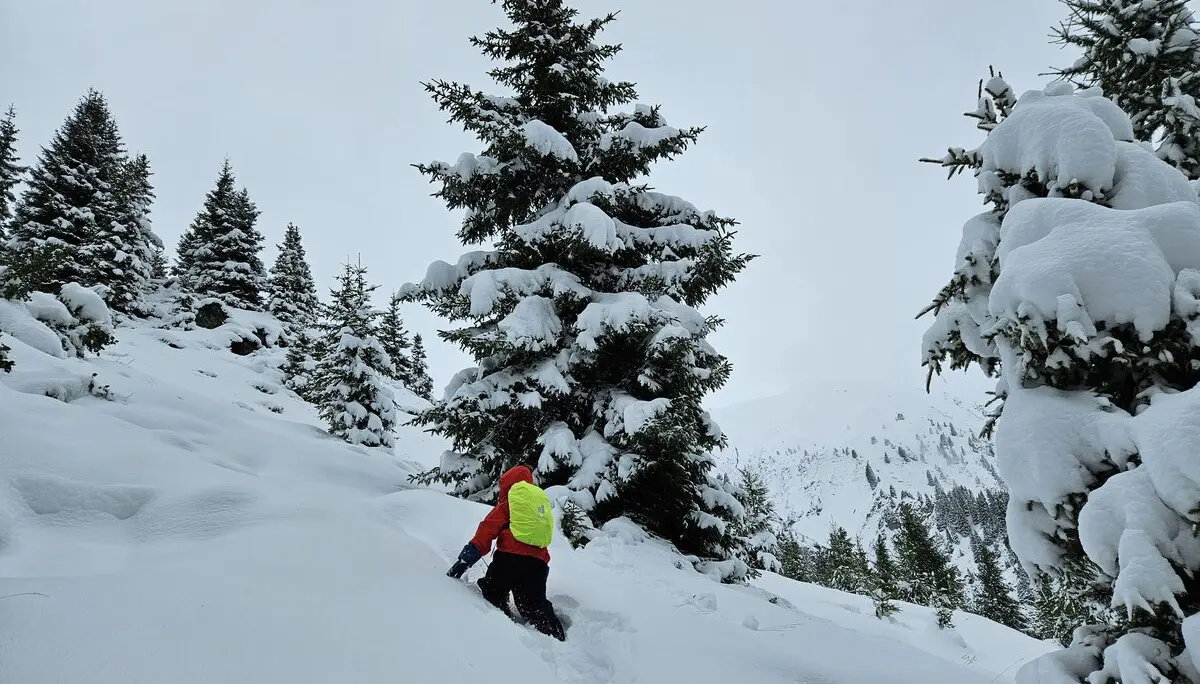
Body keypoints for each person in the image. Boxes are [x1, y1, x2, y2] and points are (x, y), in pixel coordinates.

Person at [447, 465, 567, 641]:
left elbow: (486, 531)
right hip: (538, 564)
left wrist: (466, 559)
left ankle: (501, 623)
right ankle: (555, 634)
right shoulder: (538, 506)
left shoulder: (508, 504)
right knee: (532, 604)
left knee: (493, 589)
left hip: (508, 560)